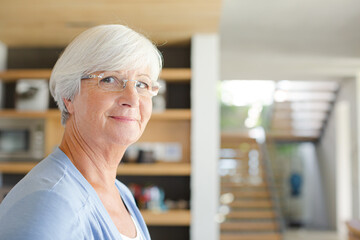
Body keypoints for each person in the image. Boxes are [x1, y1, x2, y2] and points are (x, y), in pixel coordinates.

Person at [0, 24, 162, 240]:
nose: (132, 99)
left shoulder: (120, 192)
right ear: (69, 97)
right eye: (109, 79)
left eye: (142, 84)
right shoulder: (49, 204)